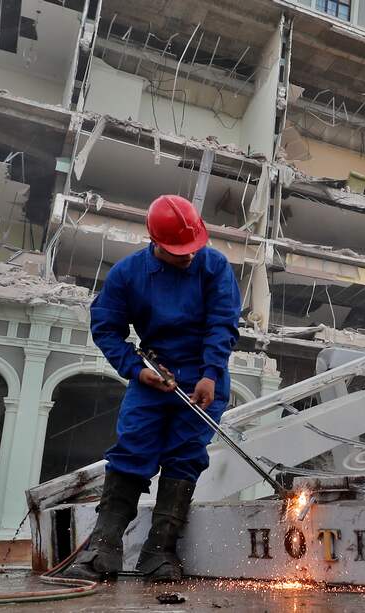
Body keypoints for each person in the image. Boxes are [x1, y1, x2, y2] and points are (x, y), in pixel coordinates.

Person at [65, 195, 241, 581]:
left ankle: (159, 552)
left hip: (204, 378)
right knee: (132, 450)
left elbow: (222, 324)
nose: (189, 256)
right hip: (152, 374)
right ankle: (102, 549)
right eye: (180, 251)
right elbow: (106, 327)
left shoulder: (214, 267)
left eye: (194, 247)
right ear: (156, 242)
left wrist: (211, 373)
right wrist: (134, 369)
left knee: (185, 456)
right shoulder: (128, 275)